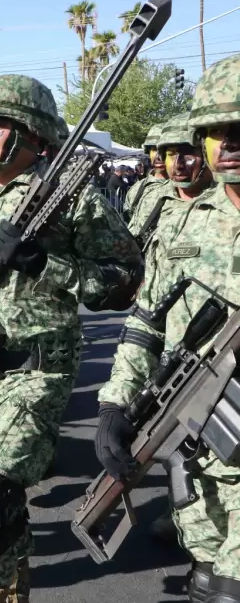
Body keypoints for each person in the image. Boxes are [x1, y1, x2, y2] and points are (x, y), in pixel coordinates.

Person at [0, 74, 143, 603]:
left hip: (39, 370)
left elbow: (125, 281)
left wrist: (45, 263)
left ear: (33, 133)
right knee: (0, 508)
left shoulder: (70, 196)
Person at [94, 53, 240, 603]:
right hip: (197, 435)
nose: (227, 142)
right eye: (214, 131)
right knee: (205, 578)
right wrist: (113, 406)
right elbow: (146, 323)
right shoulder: (183, 221)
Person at [127, 113, 214, 241]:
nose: (178, 165)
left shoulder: (230, 201)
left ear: (207, 154)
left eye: (189, 154)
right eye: (171, 154)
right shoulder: (153, 199)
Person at [123, 123, 169, 222]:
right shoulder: (137, 189)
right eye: (154, 149)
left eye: (165, 149)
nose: (159, 156)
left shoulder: (188, 190)